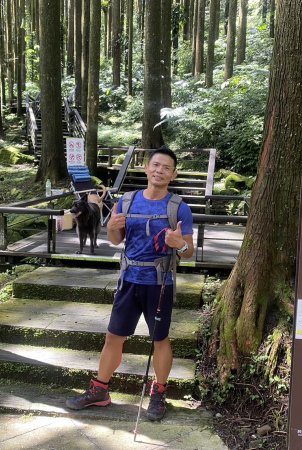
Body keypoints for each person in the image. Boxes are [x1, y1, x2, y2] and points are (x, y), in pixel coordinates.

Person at [65, 146, 194, 421]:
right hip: (129, 280)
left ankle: (159, 393)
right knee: (113, 336)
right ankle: (100, 390)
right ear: (147, 168)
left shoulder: (179, 207)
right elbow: (116, 240)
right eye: (155, 165)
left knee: (159, 339)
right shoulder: (127, 201)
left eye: (166, 167)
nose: (159, 170)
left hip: (160, 284)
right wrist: (111, 228)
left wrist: (179, 243)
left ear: (173, 174)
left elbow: (189, 251)